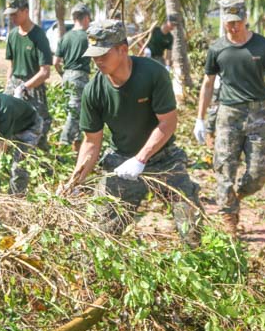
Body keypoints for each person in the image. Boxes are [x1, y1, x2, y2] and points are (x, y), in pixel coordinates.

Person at [65, 20, 201, 245]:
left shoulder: (153, 74)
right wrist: (74, 182)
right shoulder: (94, 90)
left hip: (162, 158)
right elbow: (91, 142)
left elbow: (168, 123)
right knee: (102, 232)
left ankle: (198, 263)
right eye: (94, 56)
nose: (98, 61)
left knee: (190, 223)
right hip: (122, 161)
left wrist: (141, 158)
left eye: (103, 54)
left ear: (123, 50)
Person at [194, 0, 265, 236]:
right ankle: (229, 220)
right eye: (229, 21)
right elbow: (208, 84)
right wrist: (200, 118)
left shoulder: (263, 45)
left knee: (258, 172)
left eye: (237, 20)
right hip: (228, 114)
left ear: (245, 18)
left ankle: (236, 196)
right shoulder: (217, 48)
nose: (233, 26)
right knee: (224, 168)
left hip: (256, 113)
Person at [3, 0, 52, 150]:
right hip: (14, 84)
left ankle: (42, 163)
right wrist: (7, 89)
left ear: (25, 11)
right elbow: (11, 66)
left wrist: (25, 87)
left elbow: (45, 72)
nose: (12, 19)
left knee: (40, 127)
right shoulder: (12, 36)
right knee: (8, 125)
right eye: (10, 15)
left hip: (34, 87)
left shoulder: (38, 36)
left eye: (15, 14)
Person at [54, 3, 92, 152]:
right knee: (75, 112)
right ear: (86, 18)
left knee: (75, 111)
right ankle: (63, 145)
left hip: (67, 76)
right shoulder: (87, 37)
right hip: (80, 76)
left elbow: (55, 62)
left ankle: (76, 147)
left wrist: (63, 75)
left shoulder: (65, 37)